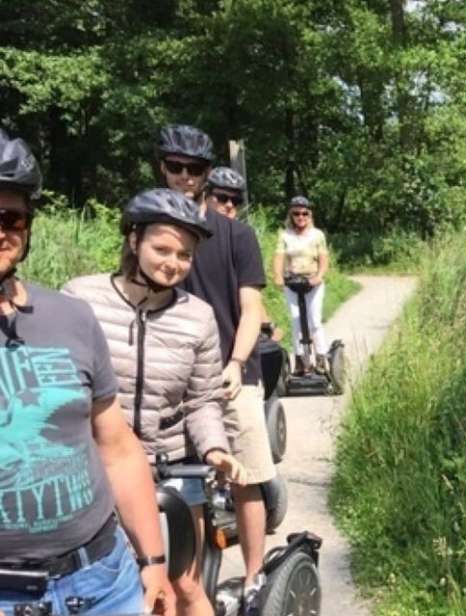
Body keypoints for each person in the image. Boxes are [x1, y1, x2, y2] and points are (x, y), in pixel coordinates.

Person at [0, 131, 175, 616]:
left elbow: (117, 447)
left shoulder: (72, 318)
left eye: (9, 218)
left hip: (101, 583)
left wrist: (154, 561)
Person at [63, 189, 246, 616]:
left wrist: (215, 448)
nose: (173, 263)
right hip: (98, 469)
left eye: (184, 255)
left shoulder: (197, 316)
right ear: (133, 241)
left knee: (184, 584)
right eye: (162, 249)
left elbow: (202, 400)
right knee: (112, 587)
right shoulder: (81, 299)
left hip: (173, 466)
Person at [157, 126, 275, 585]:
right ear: (162, 167)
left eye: (195, 169)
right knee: (185, 485)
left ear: (208, 174)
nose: (184, 176)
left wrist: (235, 363)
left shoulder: (236, 235)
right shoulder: (154, 234)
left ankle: (253, 575)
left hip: (232, 373)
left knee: (247, 477)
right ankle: (191, 586)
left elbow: (250, 309)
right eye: (176, 166)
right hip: (175, 377)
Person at [204, 167, 283, 344]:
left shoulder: (241, 237)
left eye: (236, 200)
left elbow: (249, 292)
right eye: (222, 198)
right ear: (205, 195)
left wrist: (267, 323)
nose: (230, 205)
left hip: (234, 332)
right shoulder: (192, 236)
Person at [272, 196, 330, 374]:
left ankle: (321, 358)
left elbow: (324, 259)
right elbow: (279, 258)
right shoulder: (285, 235)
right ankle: (300, 361)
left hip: (312, 283)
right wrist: (278, 276)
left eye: (304, 213)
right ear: (291, 215)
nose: (300, 217)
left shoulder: (317, 235)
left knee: (314, 321)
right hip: (293, 283)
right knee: (296, 320)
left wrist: (319, 276)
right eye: (296, 213)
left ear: (309, 214)